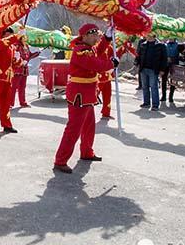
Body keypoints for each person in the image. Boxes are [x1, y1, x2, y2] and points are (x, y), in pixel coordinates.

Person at [53, 24, 115, 173]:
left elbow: (99, 51)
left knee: (89, 125)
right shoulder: (80, 51)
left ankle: (87, 151)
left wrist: (107, 38)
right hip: (79, 95)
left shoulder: (88, 48)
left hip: (87, 93)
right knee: (74, 128)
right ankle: (60, 160)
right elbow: (95, 64)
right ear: (85, 36)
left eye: (98, 35)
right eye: (94, 36)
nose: (97, 38)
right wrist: (111, 64)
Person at [136, 33, 167, 110]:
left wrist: (162, 70)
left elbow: (164, 59)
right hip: (143, 69)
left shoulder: (160, 45)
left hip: (153, 69)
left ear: (153, 36)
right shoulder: (143, 44)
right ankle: (146, 103)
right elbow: (139, 55)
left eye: (149, 35)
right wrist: (136, 62)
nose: (147, 37)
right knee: (145, 86)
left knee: (154, 87)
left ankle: (155, 105)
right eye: (147, 35)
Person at [10, 27, 39, 108]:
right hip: (18, 69)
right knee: (14, 87)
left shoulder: (26, 46)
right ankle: (10, 103)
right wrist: (21, 61)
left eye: (26, 37)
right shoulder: (17, 46)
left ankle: (22, 102)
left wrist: (37, 53)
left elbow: (29, 56)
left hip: (24, 69)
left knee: (22, 86)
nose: (26, 39)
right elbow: (15, 56)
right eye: (24, 37)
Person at [161, 38, 180, 104]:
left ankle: (171, 97)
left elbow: (179, 55)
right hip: (165, 64)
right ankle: (163, 96)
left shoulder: (178, 45)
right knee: (164, 80)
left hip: (174, 64)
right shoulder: (165, 45)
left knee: (173, 80)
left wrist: (172, 59)